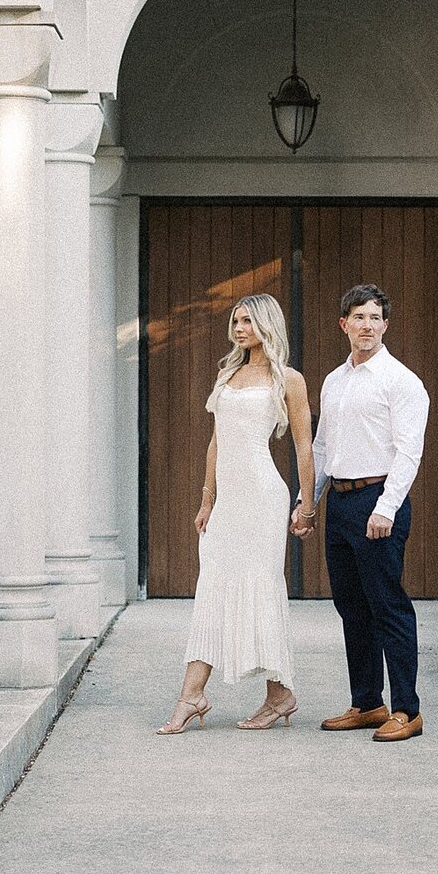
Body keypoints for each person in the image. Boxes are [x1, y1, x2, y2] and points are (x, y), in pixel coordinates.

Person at [156, 293, 316, 734]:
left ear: (266, 325)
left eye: (247, 321)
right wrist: (207, 499)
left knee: (262, 587)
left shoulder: (290, 379)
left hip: (264, 496)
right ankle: (193, 695)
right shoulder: (229, 373)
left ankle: (277, 694)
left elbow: (303, 444)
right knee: (213, 585)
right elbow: (215, 442)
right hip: (229, 501)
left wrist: (308, 502)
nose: (238, 328)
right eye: (235, 321)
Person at [292, 283, 429, 742]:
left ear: (385, 325)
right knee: (351, 606)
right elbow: (323, 446)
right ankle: (368, 702)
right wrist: (306, 503)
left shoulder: (402, 382)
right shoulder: (334, 381)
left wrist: (386, 507)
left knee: (388, 606)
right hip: (341, 505)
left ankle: (407, 710)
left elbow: (409, 452)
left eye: (374, 318)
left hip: (379, 501)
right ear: (344, 324)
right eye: (358, 317)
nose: (366, 326)